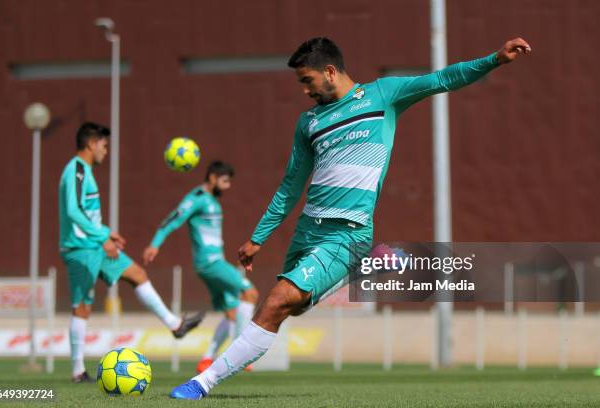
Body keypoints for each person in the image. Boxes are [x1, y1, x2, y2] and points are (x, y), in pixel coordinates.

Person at [170, 36, 532, 399]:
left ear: (330, 71)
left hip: (348, 232)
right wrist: (258, 237)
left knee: (276, 301)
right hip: (308, 230)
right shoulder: (308, 122)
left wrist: (494, 60)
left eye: (307, 80)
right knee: (290, 310)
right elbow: (290, 186)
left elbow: (441, 79)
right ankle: (369, 264)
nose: (304, 91)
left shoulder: (383, 95)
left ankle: (202, 383)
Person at [59, 122, 204, 383]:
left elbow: (85, 212)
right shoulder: (77, 170)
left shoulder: (85, 171)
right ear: (91, 144)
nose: (106, 150)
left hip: (95, 245)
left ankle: (175, 325)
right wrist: (102, 236)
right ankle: (77, 371)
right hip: (81, 249)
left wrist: (106, 232)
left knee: (137, 273)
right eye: (104, 145)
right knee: (81, 308)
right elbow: (73, 210)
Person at [143, 161, 259, 373]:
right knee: (250, 292)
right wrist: (155, 244)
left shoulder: (211, 201)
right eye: (224, 181)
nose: (228, 186)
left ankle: (206, 359)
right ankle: (240, 354)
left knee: (232, 313)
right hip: (211, 263)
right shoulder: (196, 198)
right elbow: (174, 218)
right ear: (213, 177)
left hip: (210, 264)